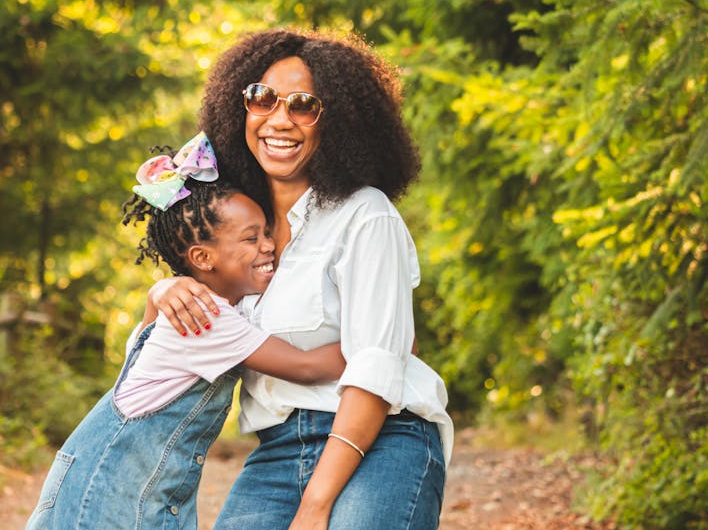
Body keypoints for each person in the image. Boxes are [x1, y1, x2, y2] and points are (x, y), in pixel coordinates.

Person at [149, 29, 453, 530]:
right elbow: (178, 341)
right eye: (263, 98)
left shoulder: (365, 215)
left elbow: (377, 367)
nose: (280, 119)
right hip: (278, 450)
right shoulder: (237, 230)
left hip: (381, 439)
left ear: (338, 124)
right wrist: (162, 290)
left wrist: (316, 504)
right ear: (240, 108)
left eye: (304, 105)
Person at [25, 131, 345, 530]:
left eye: (267, 233)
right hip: (107, 494)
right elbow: (307, 367)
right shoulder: (206, 318)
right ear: (202, 258)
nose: (268, 246)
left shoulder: (195, 309)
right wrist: (382, 344)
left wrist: (157, 292)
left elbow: (137, 349)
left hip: (119, 487)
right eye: (251, 238)